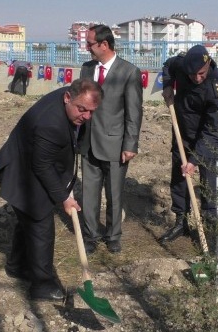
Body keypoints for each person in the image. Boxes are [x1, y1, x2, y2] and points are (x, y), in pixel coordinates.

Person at [0, 78, 103, 301]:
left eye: (91, 112)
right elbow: (42, 166)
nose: (87, 117)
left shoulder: (73, 99)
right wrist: (63, 197)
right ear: (68, 98)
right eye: (82, 110)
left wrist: (65, 186)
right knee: (40, 223)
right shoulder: (50, 123)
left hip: (30, 163)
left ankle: (17, 266)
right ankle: (42, 285)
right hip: (20, 172)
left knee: (28, 219)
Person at [158, 45, 218, 249]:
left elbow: (213, 130)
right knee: (179, 180)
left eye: (200, 73)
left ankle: (209, 230)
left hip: (208, 142)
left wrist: (194, 160)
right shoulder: (181, 65)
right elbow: (167, 66)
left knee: (209, 185)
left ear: (208, 63)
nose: (196, 78)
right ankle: (181, 222)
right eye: (192, 75)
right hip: (182, 133)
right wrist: (167, 86)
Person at [79, 24, 143, 254]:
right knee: (89, 192)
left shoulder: (128, 72)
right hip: (88, 141)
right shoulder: (87, 69)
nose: (86, 48)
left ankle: (113, 235)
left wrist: (130, 144)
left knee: (114, 193)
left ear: (104, 45)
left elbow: (134, 112)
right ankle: (90, 235)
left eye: (89, 44)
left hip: (116, 145)